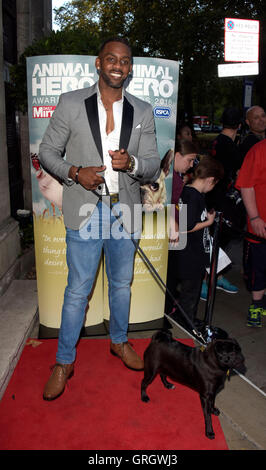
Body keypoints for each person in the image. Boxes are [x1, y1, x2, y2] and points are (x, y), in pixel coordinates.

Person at [39, 37, 161, 401]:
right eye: (111, 59)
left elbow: (153, 161)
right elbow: (46, 152)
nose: (117, 66)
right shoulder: (72, 102)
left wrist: (134, 164)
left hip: (125, 211)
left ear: (130, 68)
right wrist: (75, 172)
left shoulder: (142, 111)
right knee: (77, 291)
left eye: (124, 61)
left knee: (121, 285)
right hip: (85, 210)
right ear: (98, 63)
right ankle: (63, 361)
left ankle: (119, 342)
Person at [167, 156, 224, 330]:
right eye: (214, 184)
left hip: (185, 251)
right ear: (210, 180)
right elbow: (186, 226)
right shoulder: (195, 197)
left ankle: (183, 316)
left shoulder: (186, 191)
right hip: (191, 253)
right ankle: (187, 321)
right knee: (191, 292)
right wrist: (208, 222)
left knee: (186, 291)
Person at [201, 107, 243, 299]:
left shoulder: (217, 141)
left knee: (215, 238)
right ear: (240, 126)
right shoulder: (231, 146)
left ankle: (213, 276)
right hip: (221, 200)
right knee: (218, 238)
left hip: (211, 196)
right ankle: (207, 278)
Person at [164, 139, 198, 314]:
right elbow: (165, 200)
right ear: (177, 155)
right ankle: (166, 307)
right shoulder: (169, 176)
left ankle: (168, 305)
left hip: (174, 231)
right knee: (169, 272)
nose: (191, 165)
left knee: (172, 271)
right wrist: (173, 221)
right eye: (189, 160)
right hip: (170, 231)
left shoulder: (175, 176)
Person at [236, 139, 266, 327]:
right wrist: (254, 217)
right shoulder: (259, 150)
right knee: (259, 267)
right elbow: (246, 185)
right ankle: (256, 304)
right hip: (260, 225)